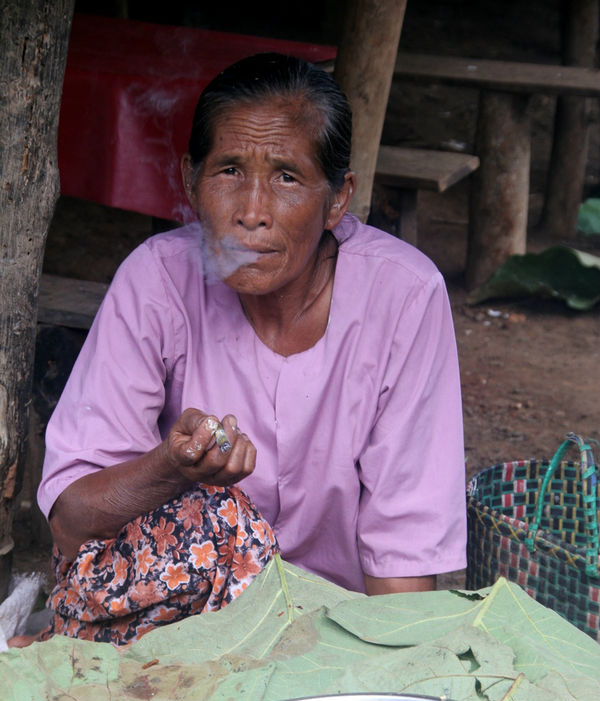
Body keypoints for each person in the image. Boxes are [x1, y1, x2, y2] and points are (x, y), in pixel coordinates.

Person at [27, 52, 466, 646]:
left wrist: (391, 684)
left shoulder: (404, 297)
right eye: (229, 170)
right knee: (216, 515)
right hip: (173, 635)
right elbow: (73, 526)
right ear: (190, 181)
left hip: (334, 636)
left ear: (338, 199)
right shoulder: (156, 281)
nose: (251, 213)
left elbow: (405, 552)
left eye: (286, 176)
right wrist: (171, 470)